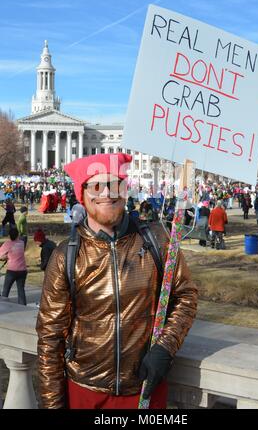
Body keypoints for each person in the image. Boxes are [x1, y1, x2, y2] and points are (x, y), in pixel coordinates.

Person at [36, 153, 198, 409]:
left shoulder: (157, 240)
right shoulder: (66, 255)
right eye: (97, 185)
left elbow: (185, 296)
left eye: (115, 184)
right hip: (86, 390)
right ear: (83, 193)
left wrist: (165, 347)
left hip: (144, 388)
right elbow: (50, 338)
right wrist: (52, 405)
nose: (107, 193)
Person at [0, 226, 27, 305]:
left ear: (9, 235)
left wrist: (6, 257)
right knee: (21, 290)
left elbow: (1, 256)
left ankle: (3, 305)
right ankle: (23, 306)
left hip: (12, 270)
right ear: (18, 235)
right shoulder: (22, 243)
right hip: (22, 270)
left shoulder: (7, 244)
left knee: (6, 290)